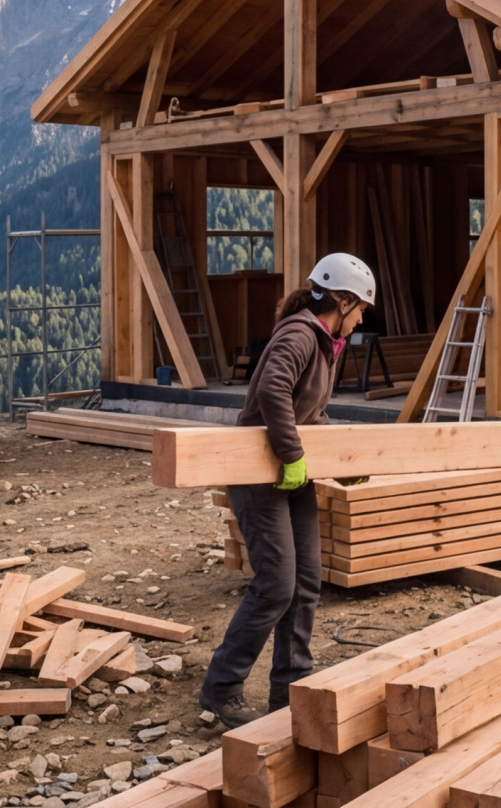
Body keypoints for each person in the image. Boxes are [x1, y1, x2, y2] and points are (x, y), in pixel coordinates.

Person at [199, 252, 376, 728]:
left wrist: (341, 461)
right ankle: (221, 686)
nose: (359, 320)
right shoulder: (300, 334)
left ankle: (290, 686)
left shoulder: (324, 344)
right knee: (275, 585)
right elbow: (274, 390)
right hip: (260, 472)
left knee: (306, 581)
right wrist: (294, 456)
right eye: (358, 310)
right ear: (341, 302)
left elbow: (310, 414)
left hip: (290, 471)